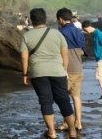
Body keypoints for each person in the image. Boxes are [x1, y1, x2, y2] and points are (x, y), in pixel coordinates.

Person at [21, 8, 76, 139]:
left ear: (32, 20)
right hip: (58, 71)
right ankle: (73, 131)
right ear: (45, 19)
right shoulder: (57, 34)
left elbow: (24, 57)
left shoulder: (26, 36)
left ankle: (51, 132)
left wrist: (24, 74)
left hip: (38, 72)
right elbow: (65, 55)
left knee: (46, 102)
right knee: (64, 100)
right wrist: (64, 70)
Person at [56, 8, 87, 132]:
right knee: (76, 97)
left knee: (64, 98)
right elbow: (84, 51)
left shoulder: (60, 32)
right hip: (78, 67)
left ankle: (66, 123)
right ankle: (78, 122)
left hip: (65, 68)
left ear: (60, 19)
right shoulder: (78, 31)